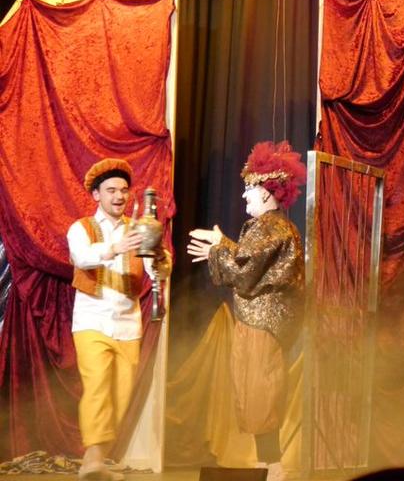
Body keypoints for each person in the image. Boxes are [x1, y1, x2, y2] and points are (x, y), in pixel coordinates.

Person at [188, 141, 305, 481]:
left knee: (259, 393)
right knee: (255, 392)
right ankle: (268, 464)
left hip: (262, 323)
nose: (243, 195)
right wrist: (222, 245)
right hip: (257, 321)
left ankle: (273, 467)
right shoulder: (269, 227)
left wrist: (218, 249)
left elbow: (245, 269)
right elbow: (250, 263)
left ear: (267, 192)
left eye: (249, 189)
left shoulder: (272, 226)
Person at [67, 158, 170, 481]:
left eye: (124, 190)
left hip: (128, 324)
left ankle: (99, 458)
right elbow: (81, 257)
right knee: (97, 385)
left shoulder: (138, 229)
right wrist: (115, 248)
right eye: (111, 190)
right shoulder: (81, 228)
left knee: (122, 394)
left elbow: (156, 270)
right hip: (92, 321)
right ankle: (92, 460)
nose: (119, 196)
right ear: (96, 194)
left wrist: (161, 259)